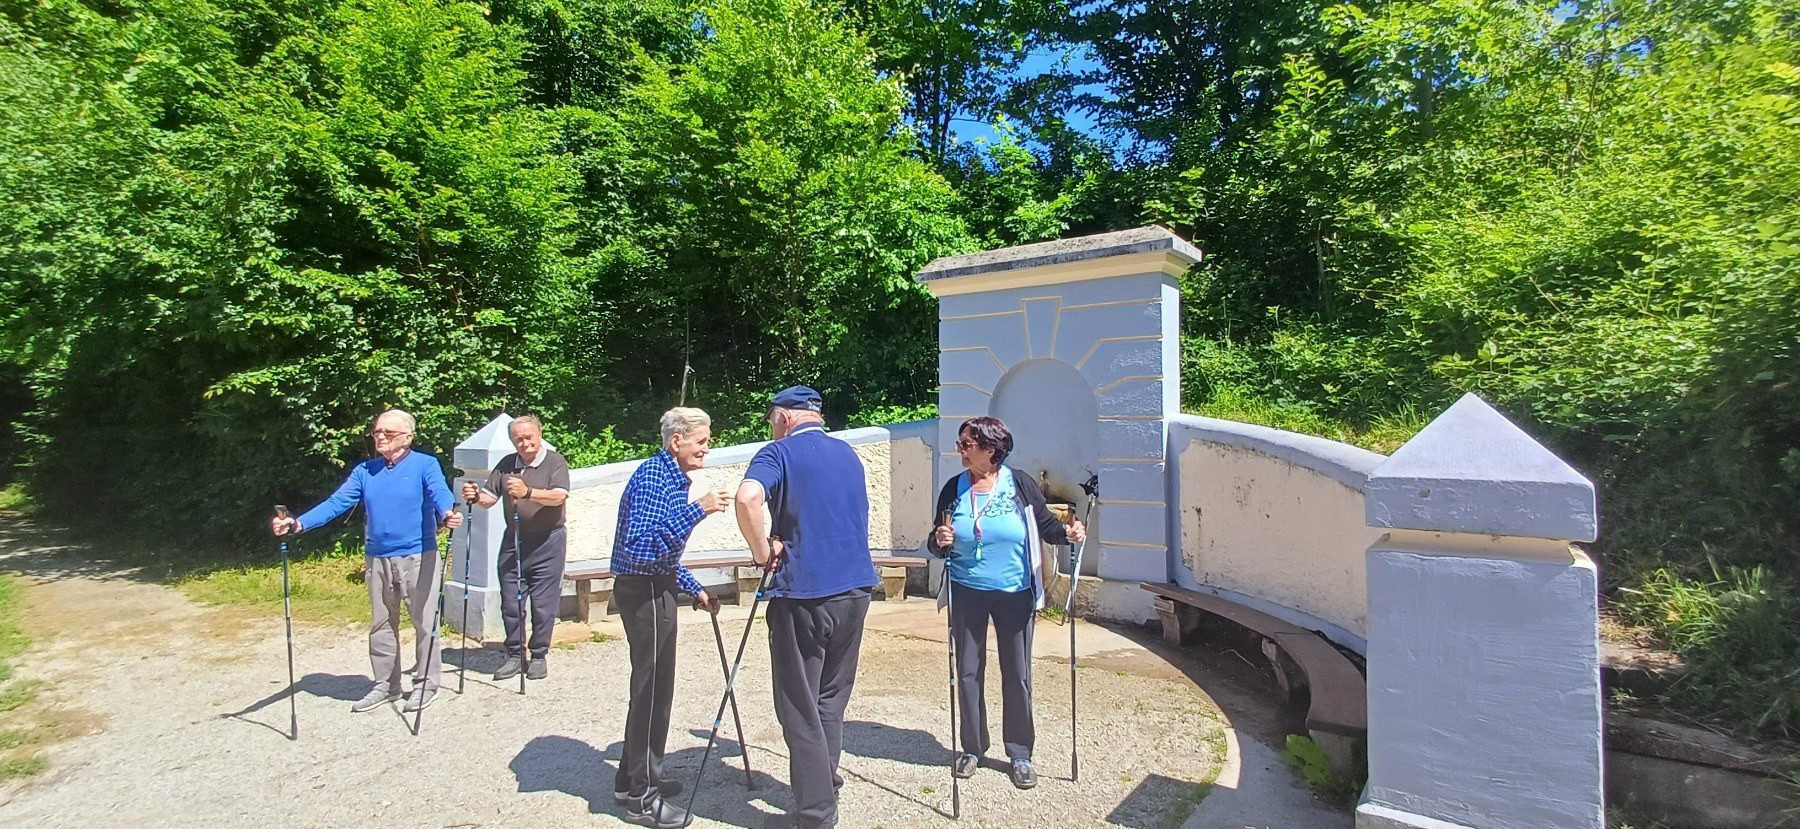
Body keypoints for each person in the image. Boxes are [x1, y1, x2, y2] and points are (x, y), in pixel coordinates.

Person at [734, 386, 876, 829]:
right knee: (830, 698)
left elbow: (747, 499)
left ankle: (814, 815)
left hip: (805, 592)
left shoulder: (777, 454)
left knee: (798, 704)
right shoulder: (848, 454)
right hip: (856, 588)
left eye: (770, 421)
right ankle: (824, 782)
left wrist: (761, 552)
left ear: (782, 418)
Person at [925, 416, 1085, 790]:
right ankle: (972, 748)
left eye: (967, 444)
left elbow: (1046, 526)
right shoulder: (953, 489)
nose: (960, 449)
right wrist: (939, 539)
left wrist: (1069, 532)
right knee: (966, 671)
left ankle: (1020, 753)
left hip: (1014, 591)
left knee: (1017, 673)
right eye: (960, 442)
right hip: (966, 589)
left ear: (991, 450)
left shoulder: (1020, 485)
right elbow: (935, 540)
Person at [270, 409, 462, 713]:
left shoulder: (425, 464)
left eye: (389, 433)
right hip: (377, 557)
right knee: (382, 624)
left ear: (408, 437)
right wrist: (298, 524)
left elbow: (439, 491)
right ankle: (386, 685)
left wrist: (447, 512)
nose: (381, 437)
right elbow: (337, 503)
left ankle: (426, 683)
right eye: (377, 432)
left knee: (425, 622)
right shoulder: (365, 471)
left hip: (418, 554)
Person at [611, 407, 730, 829]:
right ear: (676, 440)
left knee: (653, 690)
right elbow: (640, 547)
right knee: (652, 694)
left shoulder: (668, 477)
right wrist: (698, 510)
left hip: (655, 587)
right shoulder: (653, 477)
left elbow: (661, 550)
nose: (707, 446)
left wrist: (691, 586)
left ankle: (632, 780)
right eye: (701, 439)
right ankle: (642, 800)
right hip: (644, 593)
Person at [460, 414, 571, 681]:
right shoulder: (507, 464)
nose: (525, 443)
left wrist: (528, 492)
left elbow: (559, 496)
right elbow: (489, 498)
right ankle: (514, 654)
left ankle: (539, 655)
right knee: (510, 600)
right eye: (518, 439)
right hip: (515, 539)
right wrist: (475, 497)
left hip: (548, 541)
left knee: (543, 604)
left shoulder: (555, 461)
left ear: (539, 434)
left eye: (529, 437)